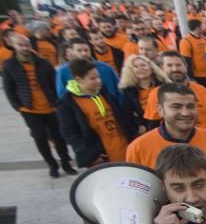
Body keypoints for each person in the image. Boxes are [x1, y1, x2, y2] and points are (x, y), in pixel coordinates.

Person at [1, 32, 77, 177]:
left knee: (59, 137)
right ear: (13, 46)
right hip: (29, 109)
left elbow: (54, 84)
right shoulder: (9, 66)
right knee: (40, 138)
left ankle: (66, 163)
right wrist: (18, 107)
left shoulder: (43, 63)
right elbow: (9, 88)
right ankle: (52, 164)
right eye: (20, 45)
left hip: (51, 107)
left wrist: (57, 102)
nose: (24, 48)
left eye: (27, 44)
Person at [126, 83, 206, 170]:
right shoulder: (138, 149)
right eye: (176, 107)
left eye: (191, 106)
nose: (185, 113)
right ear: (160, 111)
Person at [58, 59, 137, 166]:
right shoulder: (67, 103)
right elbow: (70, 134)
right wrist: (90, 155)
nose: (98, 81)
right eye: (93, 78)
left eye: (98, 77)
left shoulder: (105, 92)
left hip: (125, 151)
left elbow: (122, 117)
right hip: (101, 159)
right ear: (79, 79)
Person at [143, 51, 206, 133]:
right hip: (178, 144)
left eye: (178, 65)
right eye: (169, 65)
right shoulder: (156, 94)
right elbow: (153, 126)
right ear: (162, 68)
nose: (175, 69)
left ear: (185, 66)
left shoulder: (201, 89)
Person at [55, 37, 121, 100]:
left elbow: (119, 90)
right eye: (79, 51)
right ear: (71, 52)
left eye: (86, 50)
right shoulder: (63, 71)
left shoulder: (106, 68)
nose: (84, 53)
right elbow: (62, 95)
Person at [119, 54, 167, 129]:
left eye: (143, 65)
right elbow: (127, 116)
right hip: (146, 131)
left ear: (151, 67)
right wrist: (139, 124)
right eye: (136, 67)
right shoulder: (128, 92)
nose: (140, 68)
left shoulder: (164, 86)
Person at [179, 19, 206, 94]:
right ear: (198, 28)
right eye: (202, 26)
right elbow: (186, 61)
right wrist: (190, 78)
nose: (204, 27)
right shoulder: (186, 42)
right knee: (204, 98)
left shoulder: (205, 39)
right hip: (200, 77)